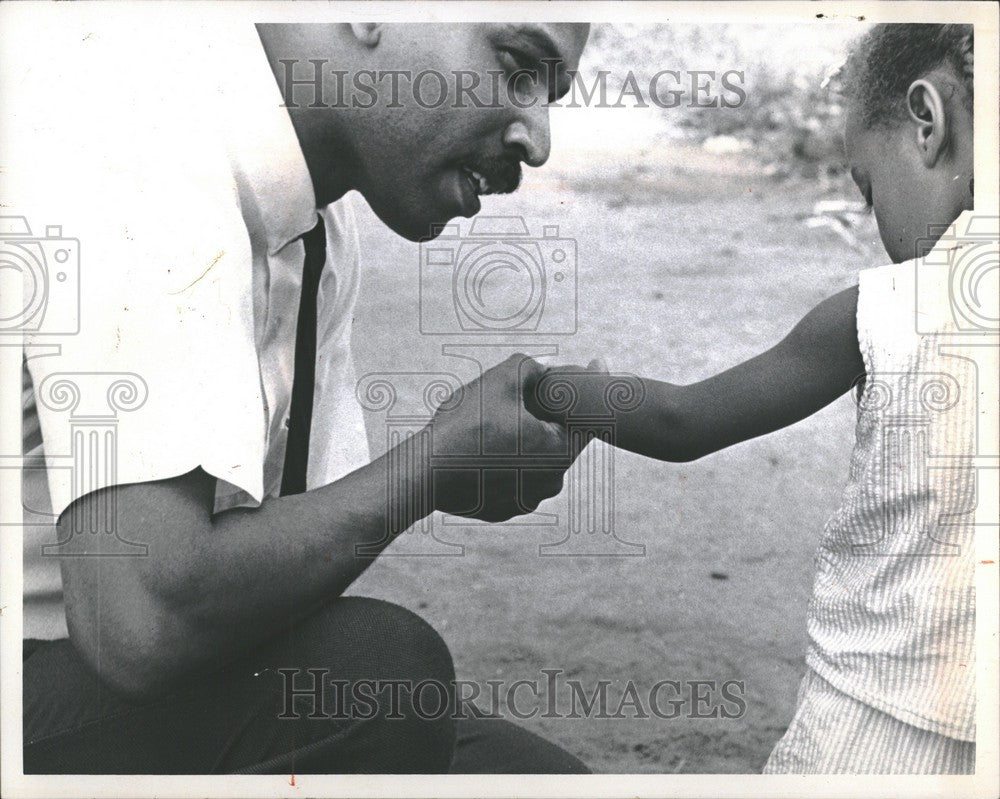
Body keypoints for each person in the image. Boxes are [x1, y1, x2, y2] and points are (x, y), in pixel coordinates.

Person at [8, 19, 593, 773]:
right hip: (45, 677)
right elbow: (142, 624)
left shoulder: (318, 214)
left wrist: (455, 464)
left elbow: (268, 587)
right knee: (376, 680)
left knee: (544, 781)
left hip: (106, 696)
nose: (538, 140)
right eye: (517, 64)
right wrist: (430, 469)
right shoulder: (136, 129)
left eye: (550, 91)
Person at [532, 24, 989, 773]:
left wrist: (553, 387)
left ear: (928, 123)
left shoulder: (888, 307)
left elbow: (683, 420)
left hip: (874, 724)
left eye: (869, 186)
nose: (877, 225)